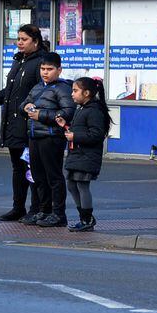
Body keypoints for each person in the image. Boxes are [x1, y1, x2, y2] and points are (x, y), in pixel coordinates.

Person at [0, 24, 49, 221]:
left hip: (29, 125)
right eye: (18, 39)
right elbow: (10, 94)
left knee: (32, 169)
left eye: (24, 39)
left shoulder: (40, 63)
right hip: (13, 124)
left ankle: (37, 209)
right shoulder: (19, 62)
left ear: (35, 41)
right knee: (18, 168)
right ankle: (18, 207)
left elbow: (41, 94)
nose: (19, 43)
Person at [19, 52, 75, 226]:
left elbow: (68, 112)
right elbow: (24, 104)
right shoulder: (37, 87)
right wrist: (25, 107)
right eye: (43, 69)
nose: (45, 72)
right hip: (34, 136)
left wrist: (41, 115)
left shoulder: (63, 88)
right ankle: (44, 211)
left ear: (59, 70)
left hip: (51, 137)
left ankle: (58, 214)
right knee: (38, 176)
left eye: (49, 69)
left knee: (54, 176)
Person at [56, 75, 112, 232]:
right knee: (72, 185)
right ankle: (84, 217)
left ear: (86, 93)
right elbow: (80, 130)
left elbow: (97, 135)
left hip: (87, 156)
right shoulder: (82, 109)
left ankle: (87, 219)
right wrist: (66, 127)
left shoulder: (94, 111)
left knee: (81, 185)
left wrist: (75, 136)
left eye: (75, 91)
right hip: (77, 154)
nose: (72, 94)